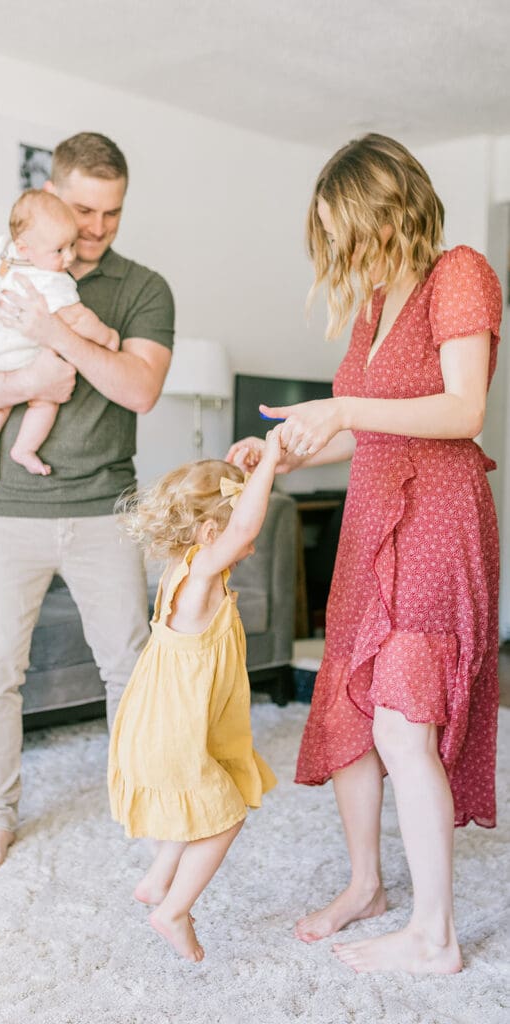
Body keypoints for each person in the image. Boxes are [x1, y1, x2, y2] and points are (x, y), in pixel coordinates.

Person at [228, 133, 502, 975]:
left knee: (401, 720)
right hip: (371, 517)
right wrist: (280, 451)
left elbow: (462, 413)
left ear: (386, 206)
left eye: (343, 225)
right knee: (352, 713)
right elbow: (367, 427)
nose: (340, 248)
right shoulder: (374, 302)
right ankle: (364, 887)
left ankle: (435, 936)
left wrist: (342, 406)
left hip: (434, 518)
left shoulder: (460, 272)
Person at [0, 132, 174, 874]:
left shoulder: (143, 288)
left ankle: (139, 801)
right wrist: (29, 379)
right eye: (82, 209)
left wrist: (51, 334)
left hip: (105, 507)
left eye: (112, 214)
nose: (96, 229)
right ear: (48, 196)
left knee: (128, 668)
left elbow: (139, 389)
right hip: (4, 511)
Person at [108, 434, 282, 962]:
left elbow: (240, 520)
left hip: (163, 722)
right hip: (171, 732)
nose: (250, 539)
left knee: (197, 802)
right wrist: (272, 456)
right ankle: (173, 910)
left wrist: (242, 476)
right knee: (223, 816)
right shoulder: (204, 574)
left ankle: (158, 877)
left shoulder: (188, 565)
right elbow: (246, 525)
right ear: (210, 532)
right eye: (238, 532)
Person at [0, 189, 119, 485]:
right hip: (21, 353)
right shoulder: (52, 282)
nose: (70, 257)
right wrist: (108, 337)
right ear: (25, 249)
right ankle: (25, 449)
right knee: (45, 401)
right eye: (59, 250)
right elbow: (78, 318)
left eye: (72, 245)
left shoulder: (1, 253)